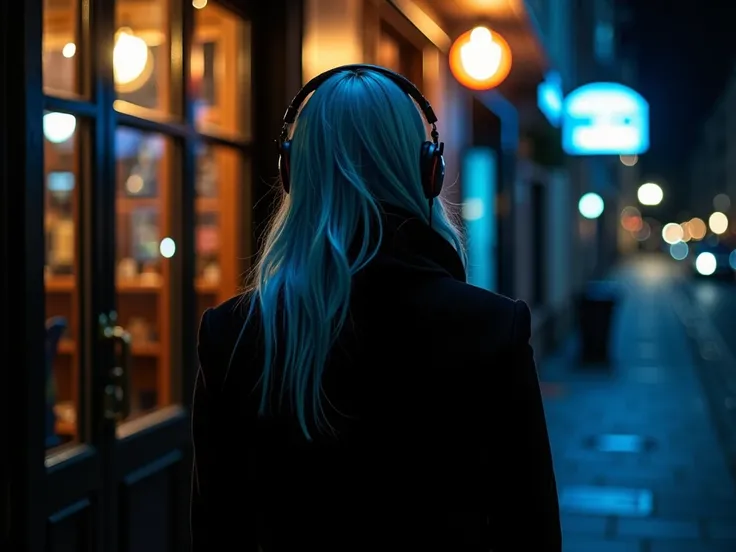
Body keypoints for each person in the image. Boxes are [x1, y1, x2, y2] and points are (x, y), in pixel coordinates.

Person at [191, 64, 561, 551]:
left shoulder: (233, 333)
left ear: (291, 173)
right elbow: (530, 529)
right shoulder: (493, 327)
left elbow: (218, 530)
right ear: (431, 169)